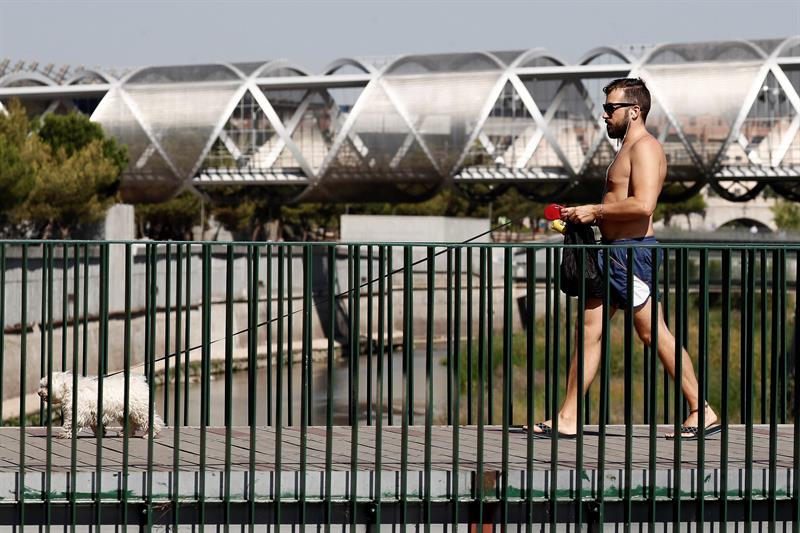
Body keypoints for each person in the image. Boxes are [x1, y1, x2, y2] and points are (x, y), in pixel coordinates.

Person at [532, 78, 719, 440]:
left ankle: (702, 409)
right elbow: (621, 202)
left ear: (634, 111)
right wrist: (584, 214)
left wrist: (595, 211)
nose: (604, 116)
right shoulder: (628, 148)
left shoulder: (645, 149)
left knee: (651, 332)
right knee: (588, 332)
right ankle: (568, 417)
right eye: (604, 109)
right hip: (613, 253)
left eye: (610, 108)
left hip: (631, 255)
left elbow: (643, 205)